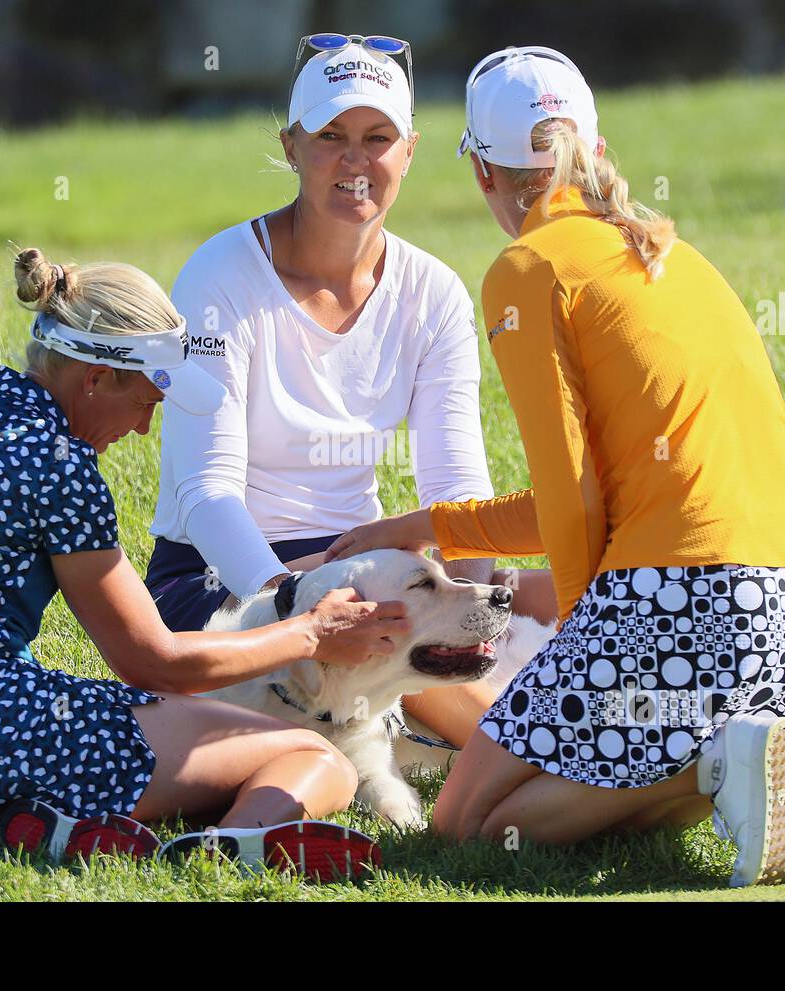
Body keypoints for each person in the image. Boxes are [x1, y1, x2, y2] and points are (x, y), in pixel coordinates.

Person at [324, 47, 785, 886]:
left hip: (680, 608)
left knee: (465, 823)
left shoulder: (525, 269)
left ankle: (717, 764)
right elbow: (612, 490)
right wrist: (424, 527)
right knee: (521, 803)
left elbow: (570, 494)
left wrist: (579, 625)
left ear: (484, 172)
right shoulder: (678, 253)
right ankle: (779, 749)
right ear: (592, 151)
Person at [0, 248, 410, 880]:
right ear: (95, 379)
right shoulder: (59, 464)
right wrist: (312, 632)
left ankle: (45, 828)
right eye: (147, 401)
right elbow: (158, 664)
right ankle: (219, 854)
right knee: (317, 760)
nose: (145, 428)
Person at [146, 33, 500, 745]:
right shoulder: (218, 275)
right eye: (330, 135)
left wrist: (471, 624)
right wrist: (298, 613)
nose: (355, 160)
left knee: (530, 607)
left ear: (410, 150)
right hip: (222, 580)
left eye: (378, 137)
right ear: (290, 145)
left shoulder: (435, 293)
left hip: (368, 569)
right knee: (426, 683)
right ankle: (521, 755)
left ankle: (497, 742)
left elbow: (456, 486)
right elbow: (206, 493)